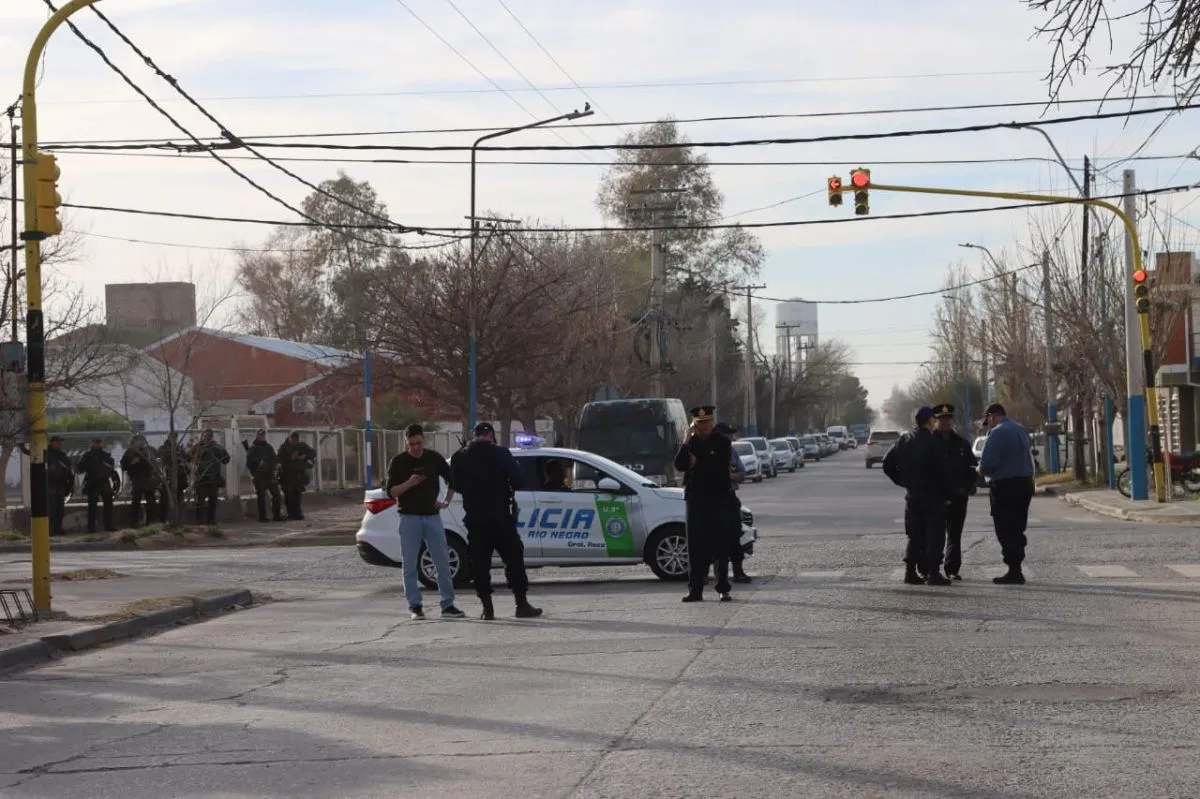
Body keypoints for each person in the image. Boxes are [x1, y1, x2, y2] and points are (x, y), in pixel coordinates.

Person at [450, 422, 542, 620]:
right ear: (491, 435)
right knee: (514, 560)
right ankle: (521, 604)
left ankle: (487, 608)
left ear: (474, 435)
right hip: (500, 516)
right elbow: (519, 480)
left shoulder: (459, 456)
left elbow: (456, 486)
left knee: (480, 564)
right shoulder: (500, 453)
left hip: (475, 519)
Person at [386, 424, 464, 620]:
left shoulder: (434, 458)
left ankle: (448, 605)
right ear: (406, 443)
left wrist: (446, 500)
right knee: (410, 563)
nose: (416, 448)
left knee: (442, 562)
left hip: (432, 516)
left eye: (419, 443)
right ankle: (415, 606)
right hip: (409, 517)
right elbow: (392, 492)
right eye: (411, 444)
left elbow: (453, 480)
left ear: (424, 440)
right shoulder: (398, 462)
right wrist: (410, 483)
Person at [883, 407, 954, 586]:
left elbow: (887, 463)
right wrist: (947, 494)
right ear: (929, 421)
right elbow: (942, 471)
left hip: (913, 495)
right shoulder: (932, 441)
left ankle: (910, 572)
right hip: (932, 495)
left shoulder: (904, 440)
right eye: (933, 419)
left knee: (915, 535)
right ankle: (933, 573)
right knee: (935, 534)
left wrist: (902, 481)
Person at [674, 405, 735, 602]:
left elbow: (719, 468)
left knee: (720, 546)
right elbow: (680, 464)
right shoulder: (690, 443)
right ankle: (695, 590)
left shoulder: (722, 442)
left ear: (712, 422)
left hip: (717, 498)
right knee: (695, 547)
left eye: (707, 422)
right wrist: (685, 441)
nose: (704, 426)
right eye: (699, 423)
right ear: (694, 424)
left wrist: (697, 462)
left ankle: (723, 587)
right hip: (695, 500)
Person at [978, 403, 1035, 585]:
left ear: (992, 416)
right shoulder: (1020, 430)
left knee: (1005, 527)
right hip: (1024, 484)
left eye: (988, 419)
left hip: (1005, 486)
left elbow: (987, 465)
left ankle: (1014, 569)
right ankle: (1016, 565)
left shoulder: (997, 433)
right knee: (1018, 526)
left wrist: (979, 470)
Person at [931, 404, 979, 580]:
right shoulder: (929, 443)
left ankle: (952, 568)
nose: (945, 423)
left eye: (948, 419)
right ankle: (932, 568)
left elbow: (972, 469)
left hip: (958, 497)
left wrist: (965, 488)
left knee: (955, 534)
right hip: (936, 499)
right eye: (941, 420)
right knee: (934, 534)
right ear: (935, 421)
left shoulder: (961, 444)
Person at [716, 423, 751, 584]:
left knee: (734, 537)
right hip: (714, 500)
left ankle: (738, 572)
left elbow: (742, 474)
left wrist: (729, 475)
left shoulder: (732, 451)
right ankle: (708, 575)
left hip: (730, 497)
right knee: (713, 539)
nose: (732, 438)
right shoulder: (711, 451)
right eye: (728, 435)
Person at [76, 437, 116, 534]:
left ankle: (109, 525)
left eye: (99, 442)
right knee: (92, 506)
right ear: (92, 443)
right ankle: (91, 528)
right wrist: (89, 466)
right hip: (92, 482)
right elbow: (80, 468)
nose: (97, 444)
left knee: (108, 505)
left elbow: (111, 468)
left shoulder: (105, 455)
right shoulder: (87, 455)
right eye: (95, 442)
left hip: (104, 482)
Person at [244, 429, 284, 523]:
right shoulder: (253, 448)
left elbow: (274, 459)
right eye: (260, 435)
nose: (261, 437)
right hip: (260, 475)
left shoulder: (268, 447)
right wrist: (255, 473)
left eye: (263, 435)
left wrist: (275, 467)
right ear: (257, 436)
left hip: (270, 474)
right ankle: (262, 517)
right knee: (261, 496)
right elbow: (249, 463)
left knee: (276, 494)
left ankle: (277, 515)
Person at [191, 430, 230, 526]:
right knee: (200, 501)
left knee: (212, 501)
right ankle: (200, 522)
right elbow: (188, 457)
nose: (207, 438)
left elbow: (226, 459)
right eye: (205, 436)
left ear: (212, 437)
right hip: (201, 479)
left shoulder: (217, 448)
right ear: (202, 437)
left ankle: (211, 521)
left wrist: (216, 457)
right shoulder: (198, 447)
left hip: (213, 478)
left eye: (209, 436)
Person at [120, 434, 159, 529]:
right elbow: (124, 465)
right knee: (136, 501)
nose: (141, 443)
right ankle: (134, 522)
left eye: (142, 441)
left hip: (148, 478)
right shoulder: (130, 452)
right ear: (134, 442)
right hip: (137, 479)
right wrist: (132, 462)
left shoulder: (148, 451)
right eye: (139, 441)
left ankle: (151, 522)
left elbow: (156, 460)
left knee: (151, 501)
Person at [278, 432, 316, 521]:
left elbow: (313, 452)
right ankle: (290, 513)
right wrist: (291, 458)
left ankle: (298, 513)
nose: (294, 441)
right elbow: (280, 459)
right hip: (287, 475)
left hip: (298, 474)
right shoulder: (284, 447)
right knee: (289, 495)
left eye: (296, 439)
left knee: (297, 494)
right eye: (293, 439)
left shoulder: (302, 446)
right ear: (290, 438)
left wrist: (304, 457)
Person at [157, 434, 189, 523]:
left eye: (175, 438)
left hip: (179, 478)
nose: (174, 440)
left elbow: (186, 459)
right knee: (164, 501)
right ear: (169, 438)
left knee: (179, 500)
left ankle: (177, 520)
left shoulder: (179, 448)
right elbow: (163, 457)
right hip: (167, 479)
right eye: (172, 438)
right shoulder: (163, 448)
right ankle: (163, 521)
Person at [46, 435, 74, 536]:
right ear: (52, 442)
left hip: (60, 485)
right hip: (50, 486)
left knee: (60, 510)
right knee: (51, 509)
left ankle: (58, 529)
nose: (59, 444)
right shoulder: (46, 454)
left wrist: (69, 486)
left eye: (60, 442)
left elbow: (68, 471)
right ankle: (49, 530)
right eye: (57, 442)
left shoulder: (62, 455)